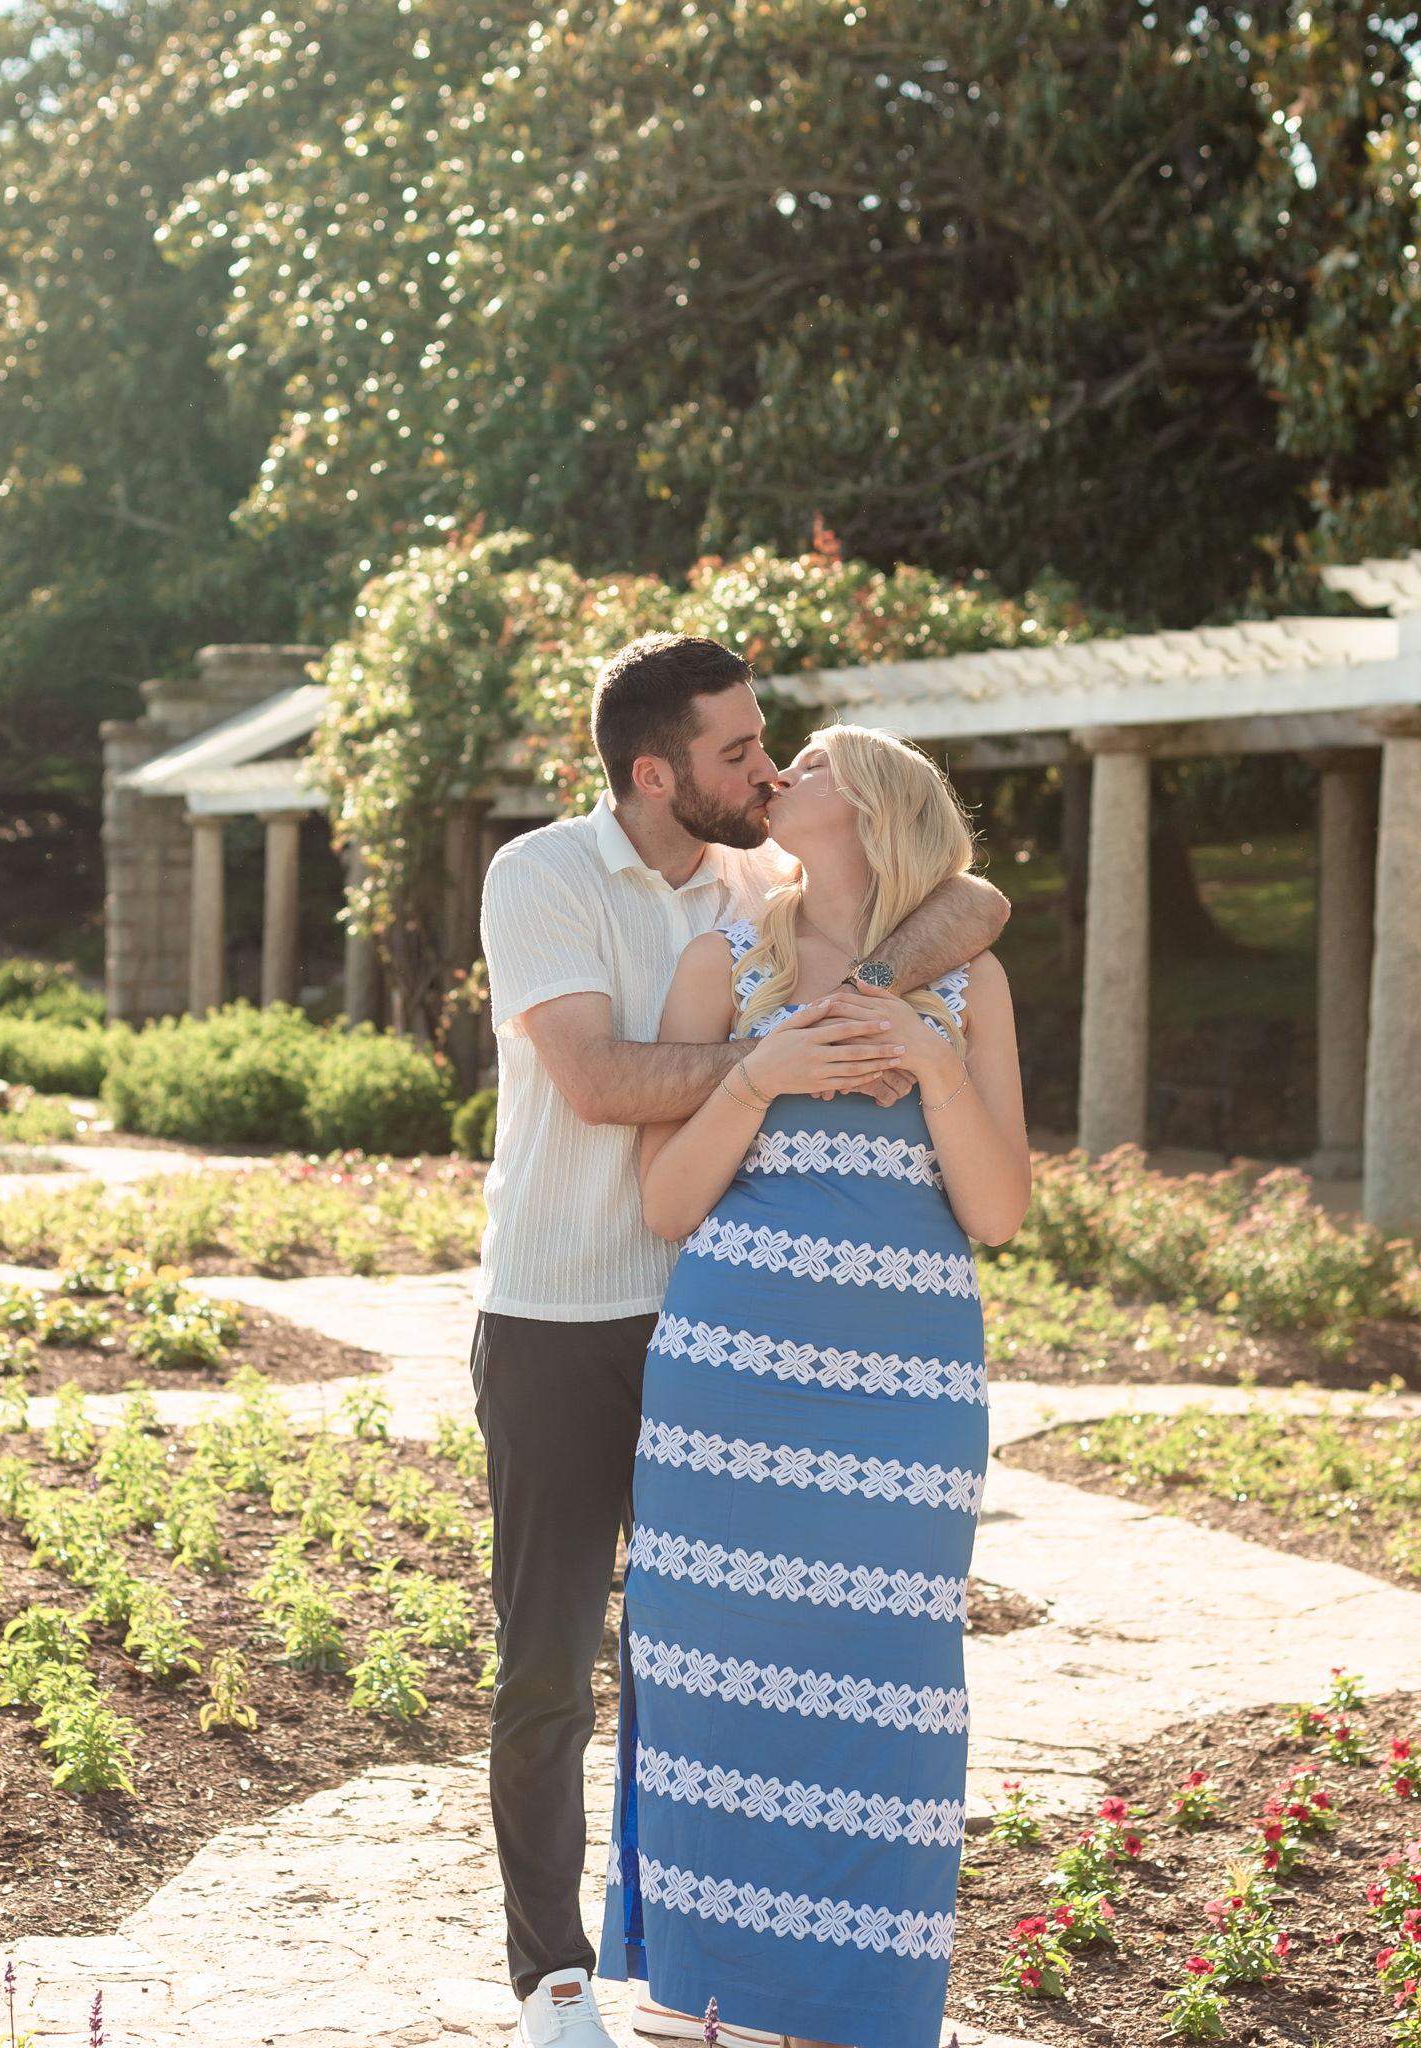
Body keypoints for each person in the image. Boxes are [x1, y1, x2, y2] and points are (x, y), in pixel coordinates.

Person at [473, 633, 1010, 2048]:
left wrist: (871, 996)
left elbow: (971, 895)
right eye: (741, 749)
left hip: (717, 1324)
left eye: (776, 746)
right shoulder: (543, 875)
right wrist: (784, 1059)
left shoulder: (754, 876)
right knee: (549, 1666)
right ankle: (555, 1979)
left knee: (706, 1657)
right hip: (560, 1310)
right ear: (658, 774)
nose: (767, 768)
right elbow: (599, 1083)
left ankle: (724, 1971)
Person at [595, 724, 1032, 2048]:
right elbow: (667, 1203)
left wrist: (934, 1063)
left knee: (888, 1680)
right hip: (732, 1385)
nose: (781, 772)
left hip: (907, 1396)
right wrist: (760, 1074)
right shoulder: (720, 962)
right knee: (717, 1664)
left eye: (817, 761)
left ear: (884, 805)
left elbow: (999, 1212)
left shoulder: (970, 982)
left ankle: (855, 2002)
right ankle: (710, 1993)